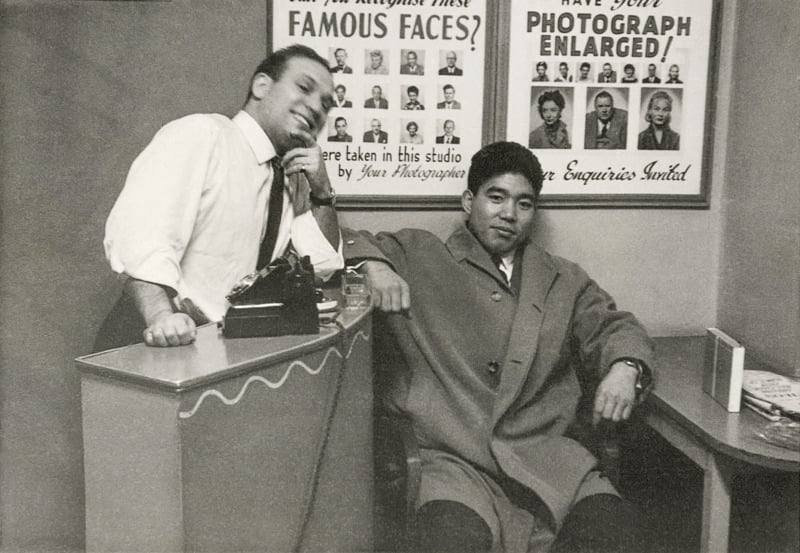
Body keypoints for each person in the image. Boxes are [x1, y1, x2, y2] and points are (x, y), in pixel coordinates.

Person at [344, 141, 654, 553]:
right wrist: (374, 265)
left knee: (617, 535)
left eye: (524, 204)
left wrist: (625, 367)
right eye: (496, 197)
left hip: (551, 460)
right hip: (455, 464)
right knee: (448, 541)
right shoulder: (418, 253)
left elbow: (616, 326)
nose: (509, 214)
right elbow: (343, 241)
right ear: (468, 202)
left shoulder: (563, 278)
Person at [97, 44, 343, 350]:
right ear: (262, 86)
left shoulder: (291, 175)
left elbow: (319, 267)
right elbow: (142, 242)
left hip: (214, 348)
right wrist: (161, 317)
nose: (316, 107)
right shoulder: (202, 135)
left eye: (326, 104)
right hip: (152, 339)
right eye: (304, 87)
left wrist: (322, 193)